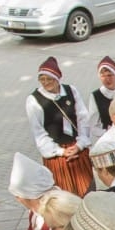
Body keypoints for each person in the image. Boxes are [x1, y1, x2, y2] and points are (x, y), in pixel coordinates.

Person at [26, 57, 93, 197]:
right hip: (57, 155)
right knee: (64, 196)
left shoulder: (71, 91)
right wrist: (60, 152)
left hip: (77, 148)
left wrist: (80, 145)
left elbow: (82, 119)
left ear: (58, 78)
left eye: (49, 79)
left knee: (88, 191)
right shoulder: (34, 100)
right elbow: (39, 132)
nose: (46, 83)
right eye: (42, 79)